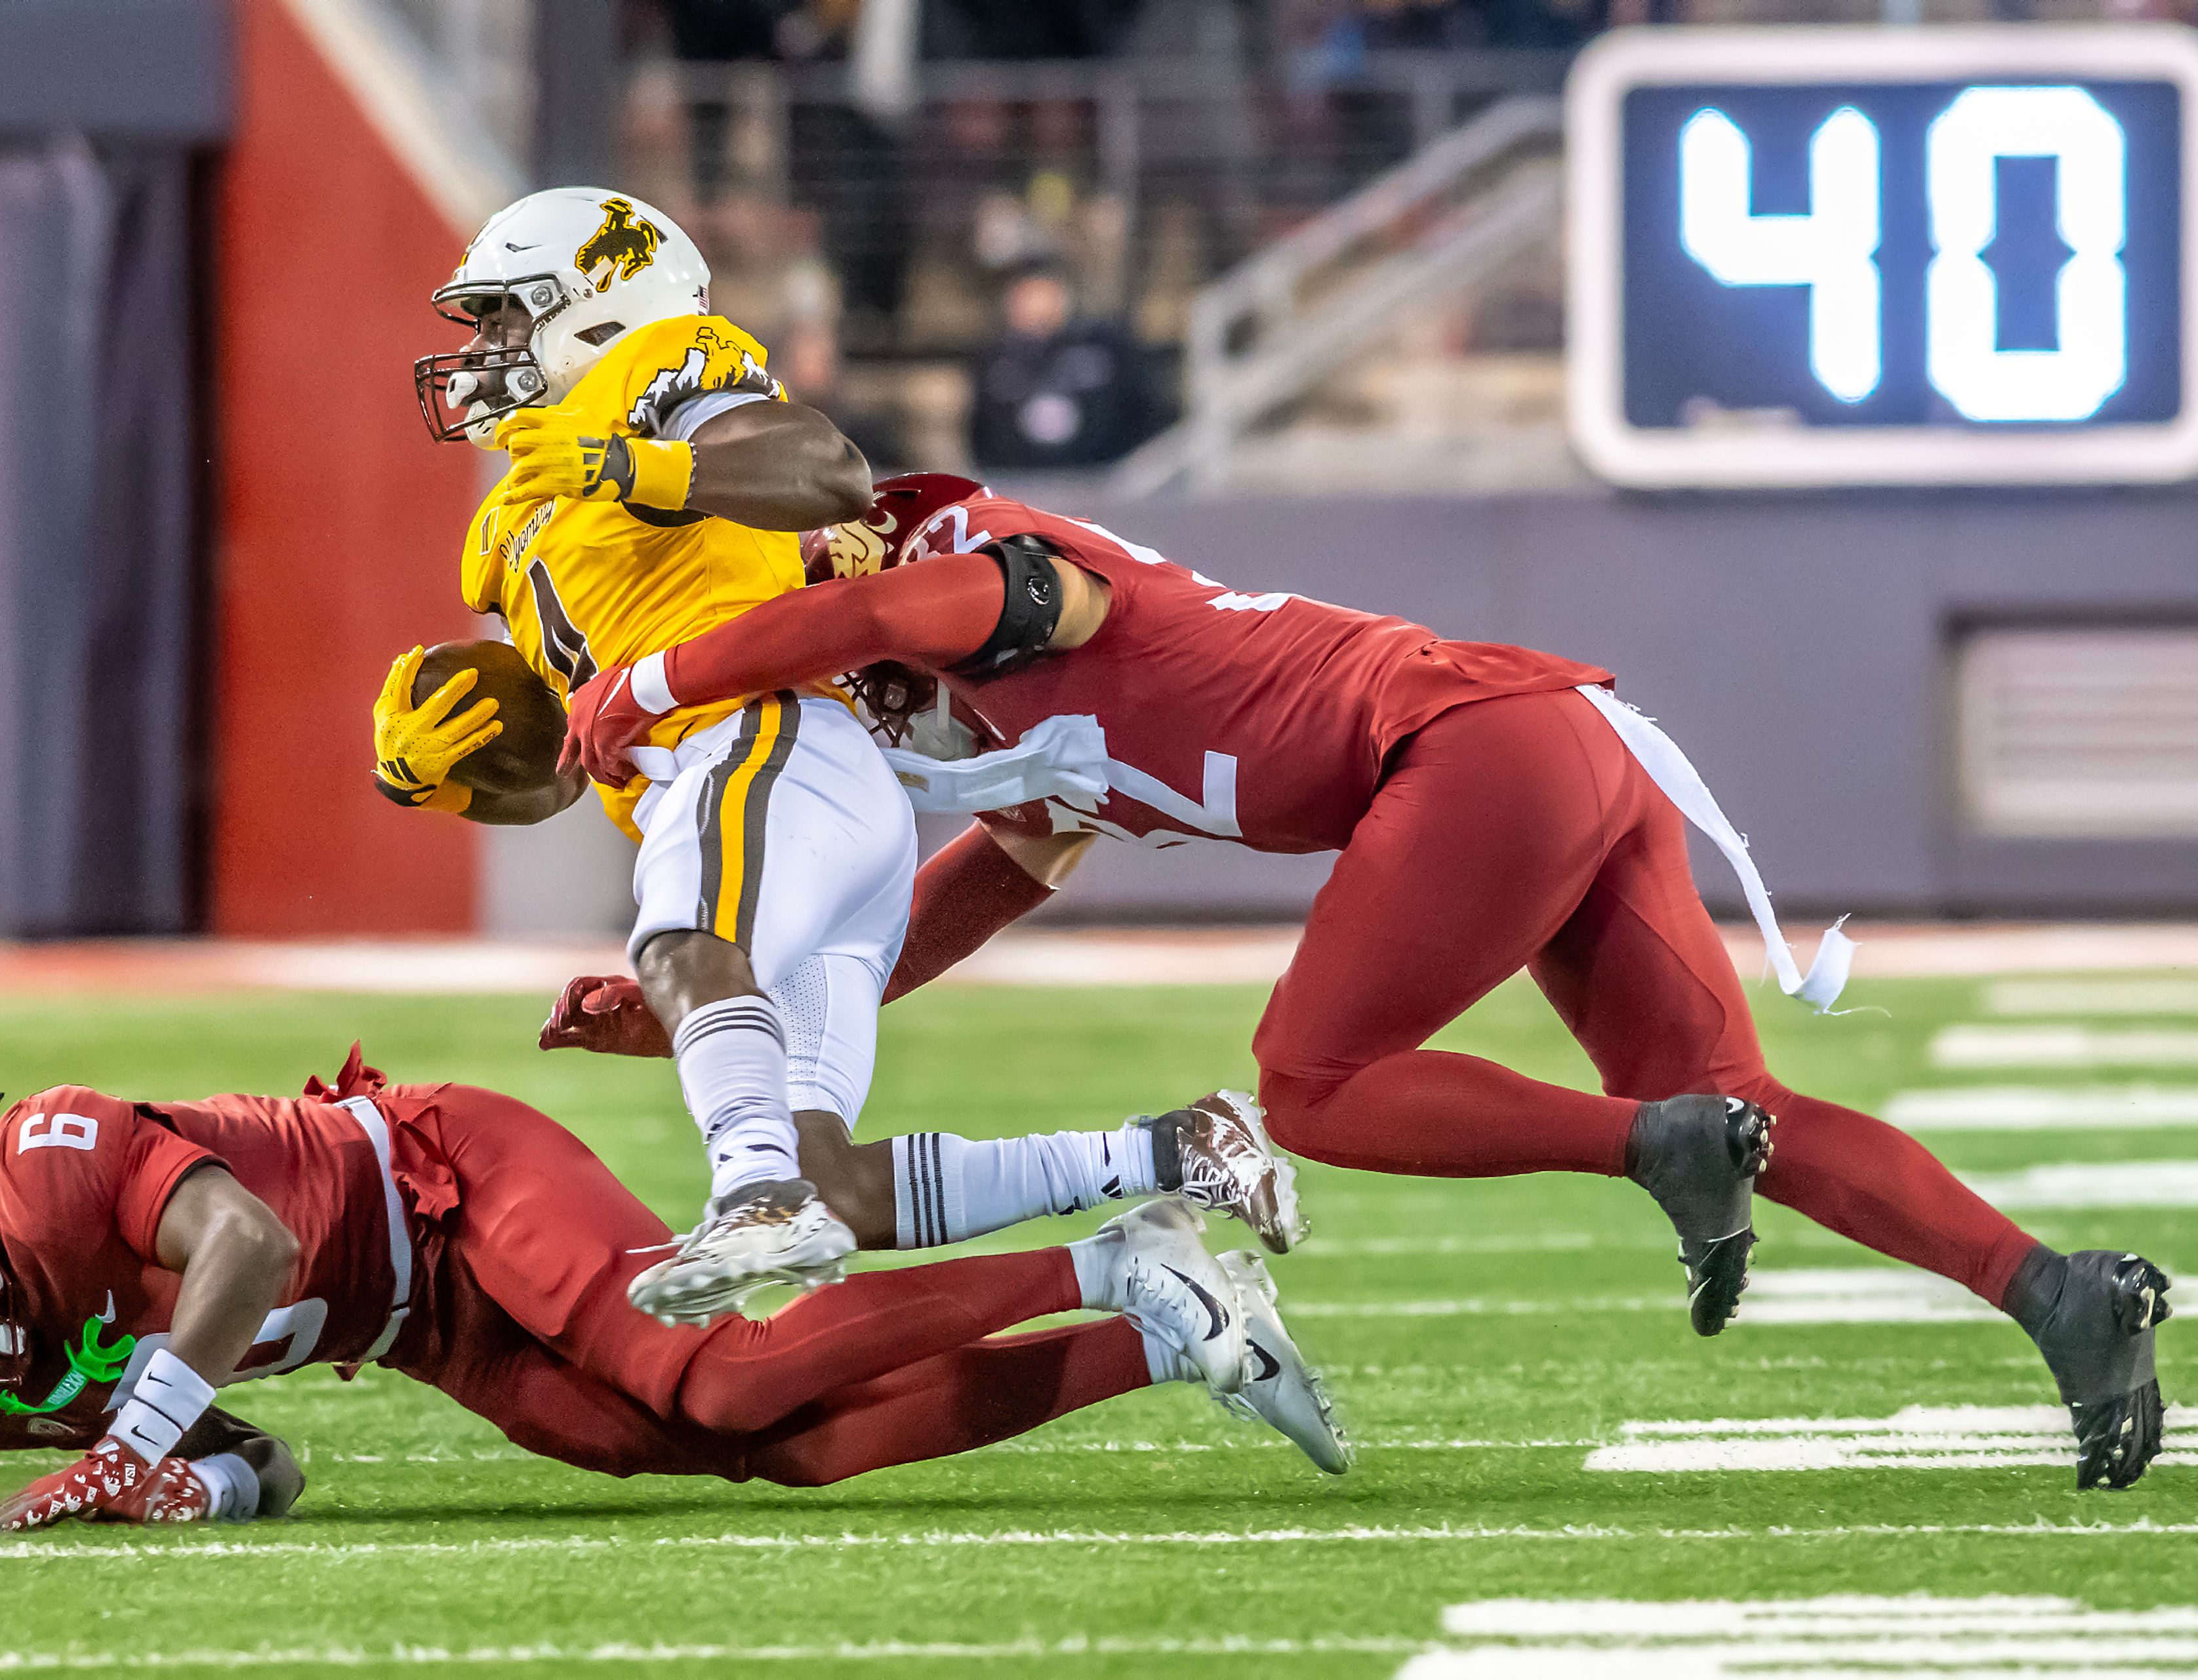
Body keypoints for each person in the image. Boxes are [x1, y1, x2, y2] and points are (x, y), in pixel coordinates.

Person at [547, 473, 2176, 1491]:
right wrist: (720, 995)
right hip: (1549, 740)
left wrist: (659, 674)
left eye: (838, 650)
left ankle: (1648, 1150)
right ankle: (2056, 1293)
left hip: (1467, 747)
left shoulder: (992, 576)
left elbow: (907, 602)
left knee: (1313, 1081)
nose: (856, 689)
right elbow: (962, 900)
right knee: (1732, 1099)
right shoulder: (1012, 728)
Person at [389, 186, 1293, 1330]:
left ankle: (753, 1196)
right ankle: (1177, 1150)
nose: (483, 350)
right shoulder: (506, 517)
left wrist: (636, 466)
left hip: (758, 742)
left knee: (684, 945)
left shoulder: (659, 365)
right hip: (754, 796)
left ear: (600, 308)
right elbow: (572, 756)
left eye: (509, 316)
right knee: (839, 1183)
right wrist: (459, 764)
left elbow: (826, 472)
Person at [0, 1048, 1353, 1535]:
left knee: (717, 1373)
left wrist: (127, 1438)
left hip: (442, 1179)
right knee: (770, 1446)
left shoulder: (45, 1151)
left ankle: (1109, 1248)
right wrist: (182, 1487)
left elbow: (250, 1249)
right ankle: (1161, 1331)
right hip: (421, 1324)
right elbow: (269, 1462)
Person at [968, 260, 1168, 472]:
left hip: (1101, 480)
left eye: (1044, 294)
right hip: (1024, 483)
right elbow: (981, 430)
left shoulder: (1104, 346)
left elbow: (1144, 409)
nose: (1037, 306)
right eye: (1026, 297)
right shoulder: (997, 359)